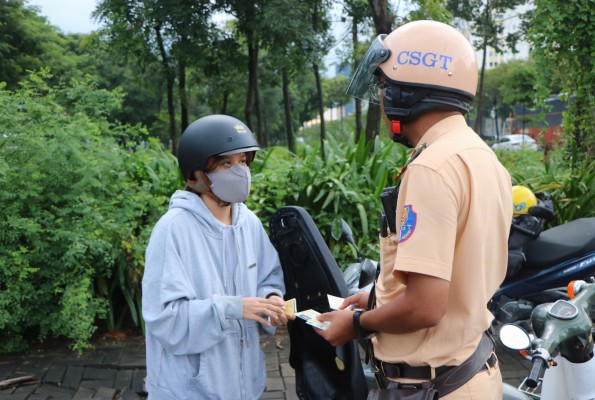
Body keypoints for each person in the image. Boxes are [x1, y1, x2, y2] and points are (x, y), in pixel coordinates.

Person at [316, 20, 513, 399]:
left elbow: (425, 306)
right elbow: (453, 275)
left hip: (431, 386)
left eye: (387, 87)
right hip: (473, 374)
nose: (383, 98)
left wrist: (356, 323)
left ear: (411, 91)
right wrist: (378, 296)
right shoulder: (481, 156)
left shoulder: (430, 168)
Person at [142, 114, 291, 400]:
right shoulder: (172, 230)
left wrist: (270, 299)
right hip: (190, 390)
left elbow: (268, 276)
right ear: (196, 174)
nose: (240, 172)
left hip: (244, 386)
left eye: (243, 162)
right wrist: (233, 308)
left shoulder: (248, 222)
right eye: (226, 163)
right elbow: (164, 318)